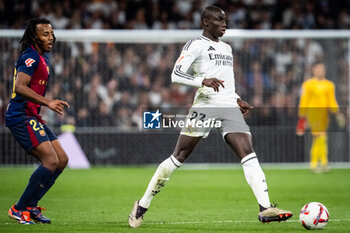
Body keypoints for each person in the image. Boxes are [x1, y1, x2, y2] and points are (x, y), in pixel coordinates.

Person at [128, 6, 292, 228]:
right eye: (220, 20)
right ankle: (142, 204)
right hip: (205, 107)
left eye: (225, 20)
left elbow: (227, 81)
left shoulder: (226, 48)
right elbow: (175, 75)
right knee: (179, 156)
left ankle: (265, 208)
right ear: (206, 22)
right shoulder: (195, 44)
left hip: (228, 107)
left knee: (247, 151)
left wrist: (236, 99)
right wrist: (201, 81)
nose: (225, 24)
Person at [5, 18, 69, 224]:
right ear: (34, 37)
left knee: (61, 159)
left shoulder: (43, 57)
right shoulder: (30, 57)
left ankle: (31, 206)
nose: (51, 38)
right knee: (50, 161)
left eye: (51, 34)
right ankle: (19, 208)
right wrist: (48, 102)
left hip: (32, 116)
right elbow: (20, 86)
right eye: (45, 34)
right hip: (20, 115)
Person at [296, 62, 343, 173]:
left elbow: (332, 101)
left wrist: (337, 113)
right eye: (318, 69)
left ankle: (316, 163)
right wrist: (302, 116)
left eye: (322, 69)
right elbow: (304, 100)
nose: (320, 71)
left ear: (325, 71)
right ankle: (321, 163)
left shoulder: (329, 85)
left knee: (320, 138)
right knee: (320, 136)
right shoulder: (308, 84)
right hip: (312, 113)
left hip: (324, 115)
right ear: (314, 70)